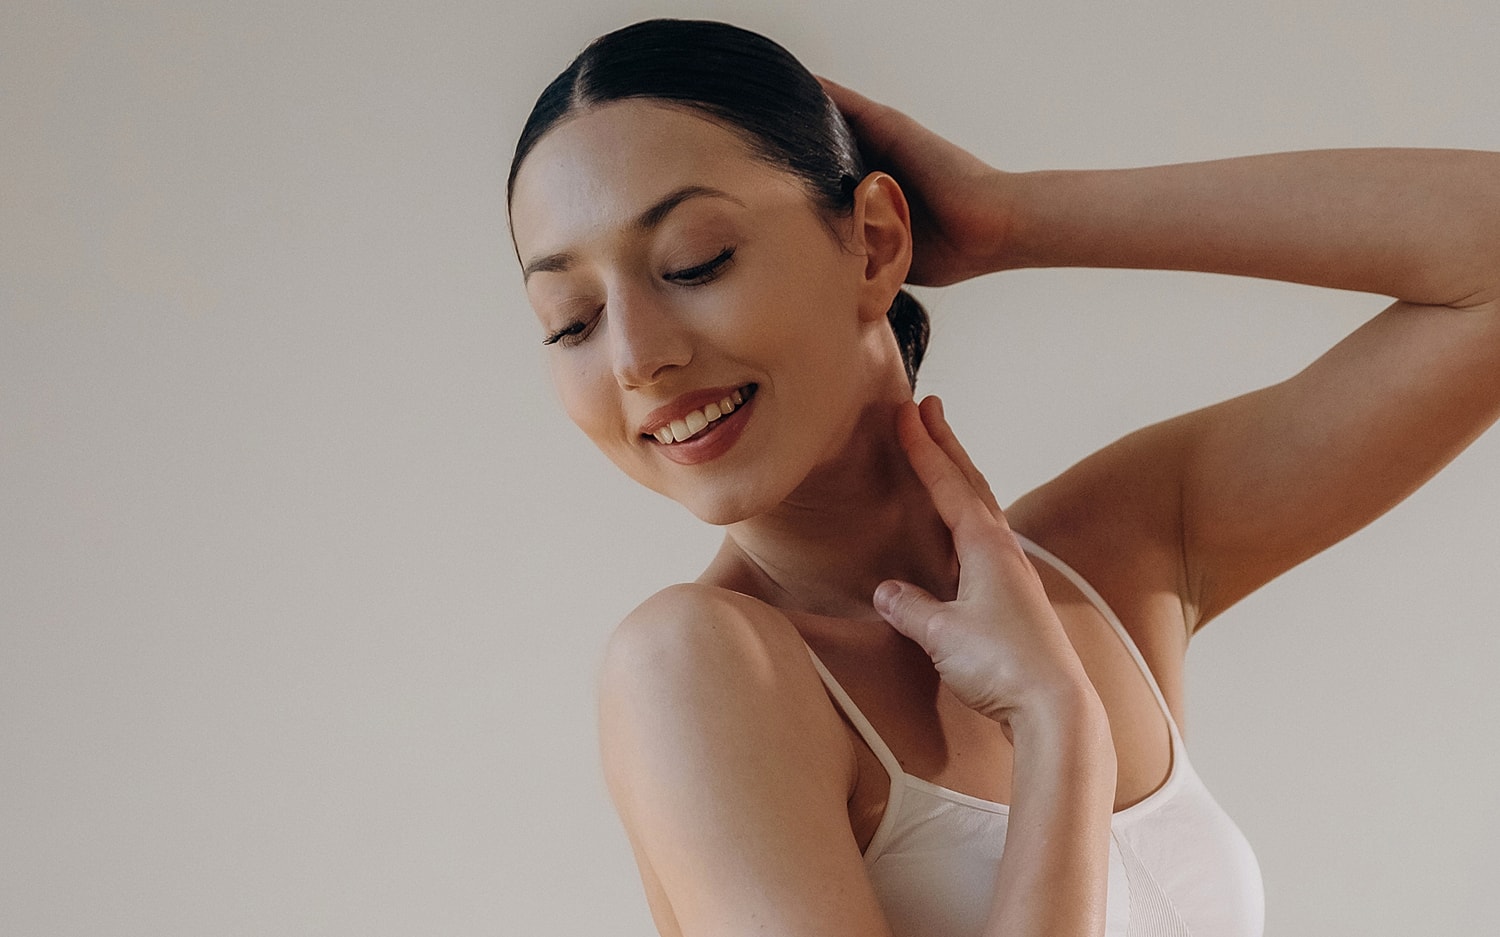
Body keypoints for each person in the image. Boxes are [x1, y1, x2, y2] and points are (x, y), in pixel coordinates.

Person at [506, 18, 1500, 937]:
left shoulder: (1114, 558)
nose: (635, 356)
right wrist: (1059, 727)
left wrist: (1007, 218)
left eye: (696, 259)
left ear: (876, 241)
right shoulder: (697, 667)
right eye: (571, 322)